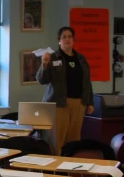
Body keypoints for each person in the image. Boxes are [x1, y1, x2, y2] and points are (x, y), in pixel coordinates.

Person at [36, 26, 94, 156]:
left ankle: (71, 167)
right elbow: (42, 80)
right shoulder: (53, 57)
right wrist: (44, 65)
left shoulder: (81, 59)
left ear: (73, 40)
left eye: (70, 36)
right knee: (58, 139)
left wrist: (90, 102)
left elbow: (87, 82)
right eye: (64, 37)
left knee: (74, 139)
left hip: (79, 103)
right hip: (59, 103)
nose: (67, 39)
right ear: (59, 41)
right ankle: (57, 168)